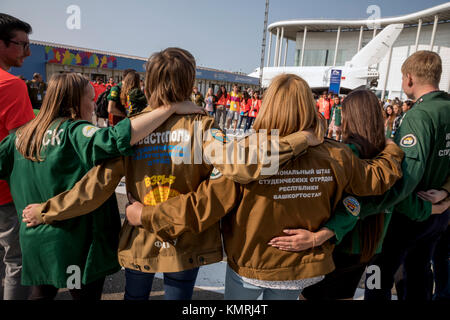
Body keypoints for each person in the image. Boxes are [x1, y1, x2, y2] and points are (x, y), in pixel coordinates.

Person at [22, 50, 322, 300]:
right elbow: (241, 165)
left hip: (142, 237)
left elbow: (94, 188)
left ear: (149, 82)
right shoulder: (203, 127)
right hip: (185, 238)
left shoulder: (133, 130)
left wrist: (46, 211)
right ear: (190, 81)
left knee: (135, 297)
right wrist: (301, 139)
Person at [120, 73, 404, 300]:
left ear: (269, 106)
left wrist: (144, 215)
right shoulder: (337, 155)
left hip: (249, 265)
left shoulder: (247, 158)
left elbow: (201, 207)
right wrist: (392, 149)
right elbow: (376, 179)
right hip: (300, 267)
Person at [0, 72, 204, 300]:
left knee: (40, 293)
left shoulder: (20, 135)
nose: (93, 105)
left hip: (34, 240)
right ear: (75, 102)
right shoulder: (76, 132)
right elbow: (116, 137)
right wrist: (169, 109)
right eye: (89, 99)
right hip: (76, 243)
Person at [273, 51, 450, 301]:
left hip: (350, 242)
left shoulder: (347, 155)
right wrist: (445, 194)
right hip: (378, 242)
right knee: (409, 275)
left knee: (373, 286)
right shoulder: (390, 153)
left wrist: (321, 234)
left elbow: (397, 188)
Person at [0, 12, 35, 300]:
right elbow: (24, 145)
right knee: (16, 262)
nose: (27, 51)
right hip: (6, 192)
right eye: (22, 44)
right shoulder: (11, 85)